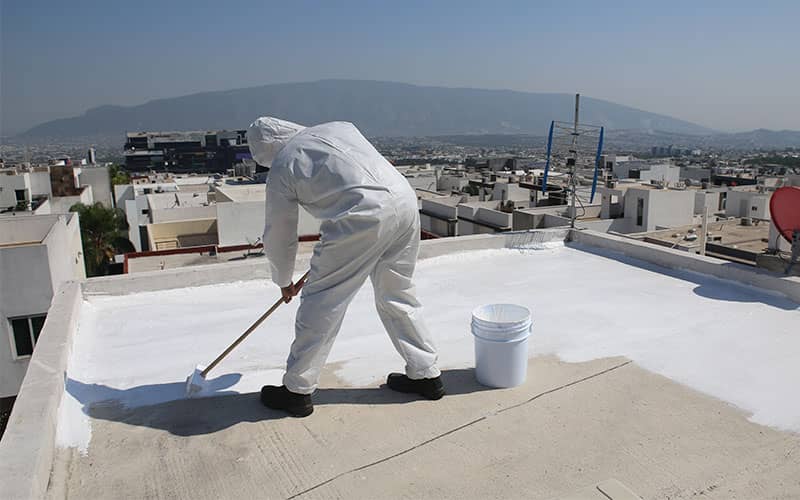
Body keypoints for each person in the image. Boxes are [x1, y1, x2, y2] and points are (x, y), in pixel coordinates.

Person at [247, 117, 444, 417]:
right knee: (398, 293)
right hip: (404, 201)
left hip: (360, 216)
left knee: (322, 301)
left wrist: (283, 279)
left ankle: (297, 391)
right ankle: (426, 374)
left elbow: (280, 232)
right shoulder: (339, 127)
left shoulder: (283, 164)